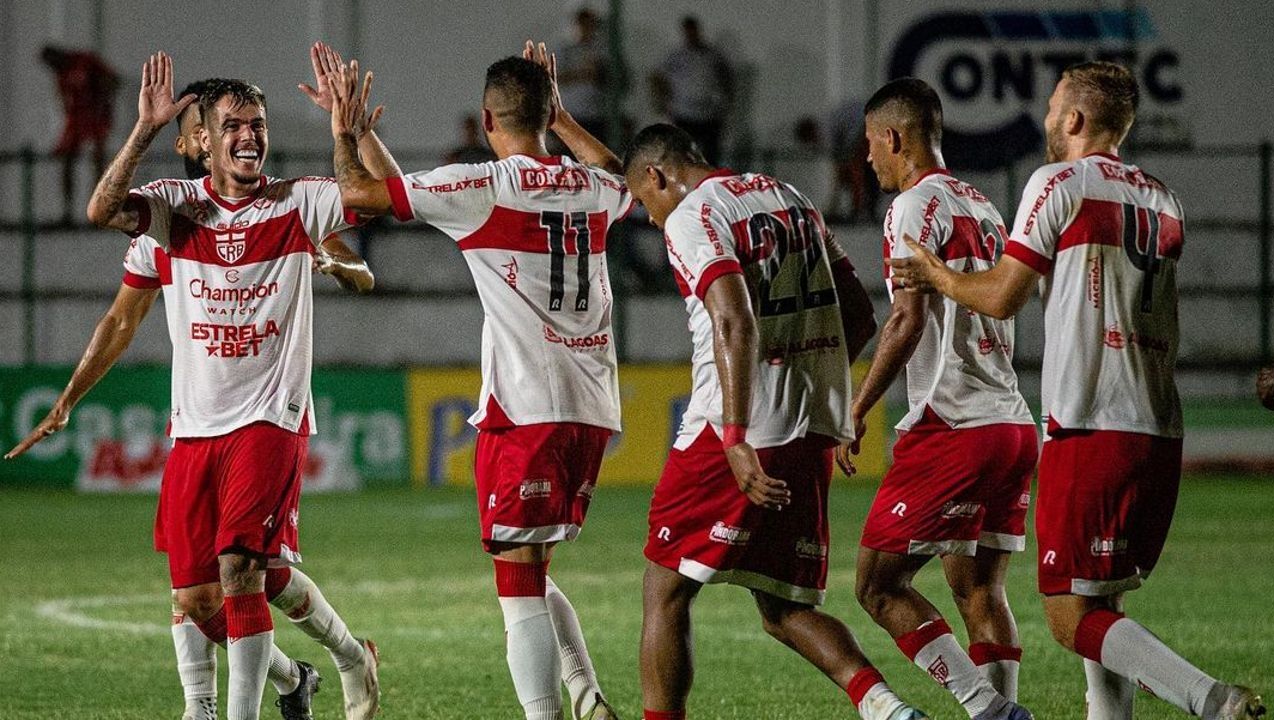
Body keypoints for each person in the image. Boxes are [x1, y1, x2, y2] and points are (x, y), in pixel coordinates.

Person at [889, 61, 1266, 720]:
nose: (1044, 122)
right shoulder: (1162, 197)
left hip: (1091, 424)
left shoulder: (1060, 181)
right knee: (1101, 608)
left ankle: (1209, 697)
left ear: (1075, 119)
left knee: (1066, 618)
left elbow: (1002, 297)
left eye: (1052, 109)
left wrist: (935, 274)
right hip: (1158, 428)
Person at [7, 63, 380, 720]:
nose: (248, 137)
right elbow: (107, 246)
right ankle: (320, 668)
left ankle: (215, 712)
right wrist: (67, 399)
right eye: (232, 126)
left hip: (270, 415)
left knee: (242, 571)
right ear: (203, 138)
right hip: (196, 426)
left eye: (257, 125)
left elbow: (365, 228)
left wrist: (342, 137)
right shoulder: (172, 210)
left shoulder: (297, 201)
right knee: (194, 598)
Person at [322, 42, 628, 720]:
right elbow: (615, 169)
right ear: (547, 113)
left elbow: (358, 197)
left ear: (487, 122)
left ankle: (549, 713)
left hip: (528, 406)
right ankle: (587, 699)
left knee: (516, 578)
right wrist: (566, 120)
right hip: (592, 407)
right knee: (531, 565)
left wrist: (345, 134)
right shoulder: (594, 189)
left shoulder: (484, 188)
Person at [622, 123, 929, 720]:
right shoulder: (790, 196)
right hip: (812, 425)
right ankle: (886, 708)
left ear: (658, 177)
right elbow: (860, 312)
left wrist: (736, 437)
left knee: (665, 589)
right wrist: (827, 391)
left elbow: (734, 320)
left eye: (643, 201)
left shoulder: (692, 216)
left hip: (734, 428)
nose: (651, 217)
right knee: (782, 606)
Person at [841, 78, 1036, 720]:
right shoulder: (982, 205)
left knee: (876, 583)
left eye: (871, 144)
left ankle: (987, 708)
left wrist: (857, 408)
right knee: (978, 589)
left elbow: (906, 319)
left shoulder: (910, 206)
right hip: (1010, 420)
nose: (868, 158)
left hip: (955, 423)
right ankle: (999, 711)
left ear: (894, 138)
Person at [41, 46, 120, 226]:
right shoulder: (61, 74)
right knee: (67, 159)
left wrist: (102, 101)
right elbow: (64, 100)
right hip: (76, 121)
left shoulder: (84, 61)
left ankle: (99, 210)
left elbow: (113, 80)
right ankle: (67, 212)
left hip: (95, 118)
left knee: (98, 162)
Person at [649, 16, 733, 164]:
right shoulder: (676, 56)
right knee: (684, 155)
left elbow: (726, 78)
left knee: (710, 155)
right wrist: (661, 101)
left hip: (709, 114)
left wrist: (726, 102)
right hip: (684, 113)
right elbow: (657, 77)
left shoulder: (712, 56)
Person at [555, 7, 611, 142]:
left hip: (597, 114)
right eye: (583, 24)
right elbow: (555, 78)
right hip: (572, 114)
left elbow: (613, 78)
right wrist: (581, 74)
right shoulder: (565, 50)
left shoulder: (603, 51)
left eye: (590, 24)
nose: (587, 28)